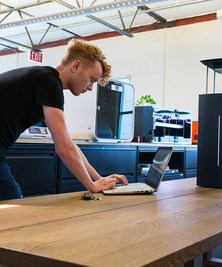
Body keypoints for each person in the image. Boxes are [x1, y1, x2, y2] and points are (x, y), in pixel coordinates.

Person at [0, 39, 128, 201]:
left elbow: (68, 143)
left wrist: (97, 179)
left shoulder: (43, 78)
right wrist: (92, 186)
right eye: (91, 80)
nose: (90, 87)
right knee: (13, 208)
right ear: (76, 66)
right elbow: (63, 148)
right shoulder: (48, 81)